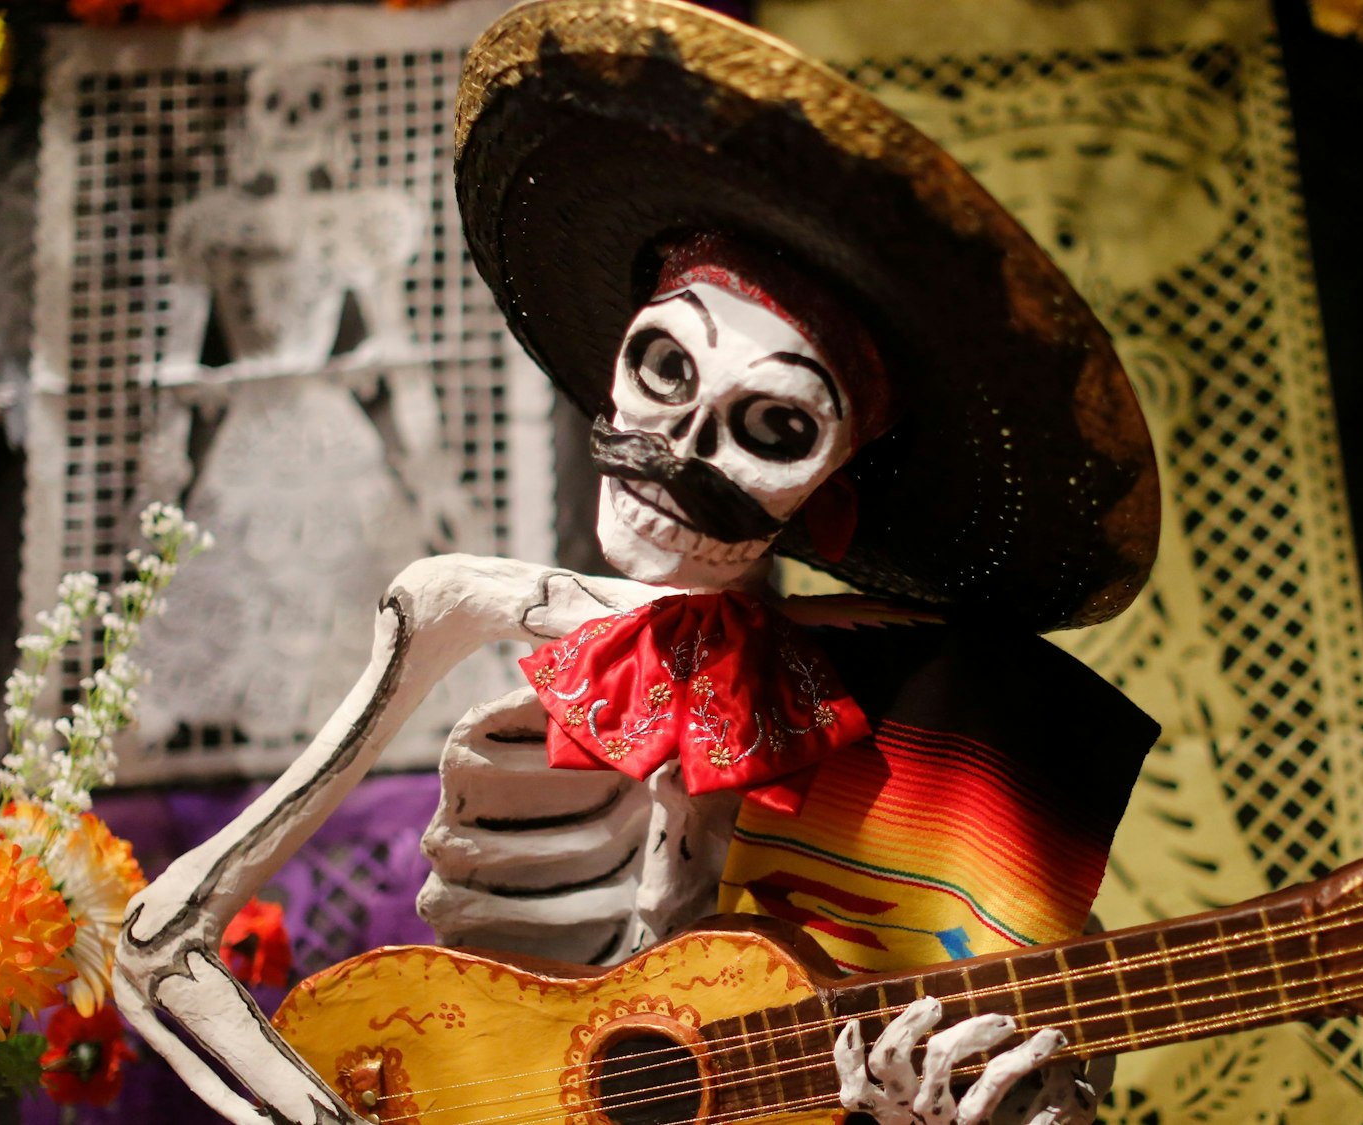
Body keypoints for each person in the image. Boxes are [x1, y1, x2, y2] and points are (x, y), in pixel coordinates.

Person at [116, 3, 1161, 1123]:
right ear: (612, 360)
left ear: (836, 493)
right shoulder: (461, 604)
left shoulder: (903, 710)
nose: (675, 461)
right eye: (663, 368)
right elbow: (155, 950)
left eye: (771, 431)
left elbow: (1034, 1008)